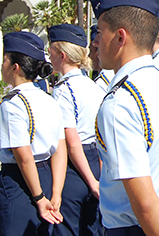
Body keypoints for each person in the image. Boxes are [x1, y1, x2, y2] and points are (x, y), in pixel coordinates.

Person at [90, 0, 159, 235]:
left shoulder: (120, 104)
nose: (95, 42)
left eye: (100, 32)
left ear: (120, 37)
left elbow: (145, 204)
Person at [0, 31, 67, 235]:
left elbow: (24, 157)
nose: (2, 67)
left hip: (20, 181)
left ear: (15, 67)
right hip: (47, 176)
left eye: (5, 60)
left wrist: (38, 198)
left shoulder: (13, 104)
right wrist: (56, 193)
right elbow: (60, 149)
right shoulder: (49, 100)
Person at [48, 24, 105, 236]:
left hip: (75, 166)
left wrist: (91, 182)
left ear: (61, 55)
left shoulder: (63, 91)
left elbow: (71, 142)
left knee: (68, 228)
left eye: (51, 52)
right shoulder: (93, 86)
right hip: (95, 158)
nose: (49, 57)